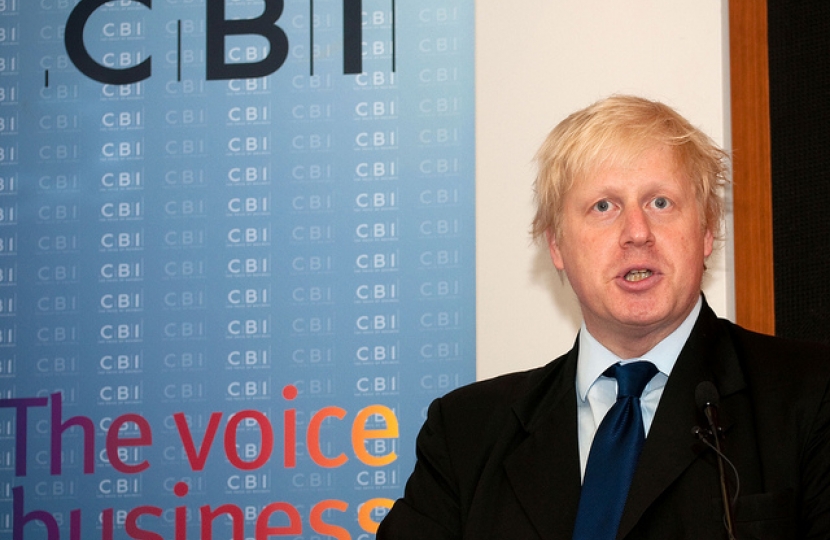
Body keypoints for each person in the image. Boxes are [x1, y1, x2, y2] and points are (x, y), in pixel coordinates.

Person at [377, 95, 830, 539]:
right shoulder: (465, 432)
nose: (637, 232)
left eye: (660, 202)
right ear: (556, 245)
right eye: (603, 206)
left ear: (707, 230)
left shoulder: (811, 394)